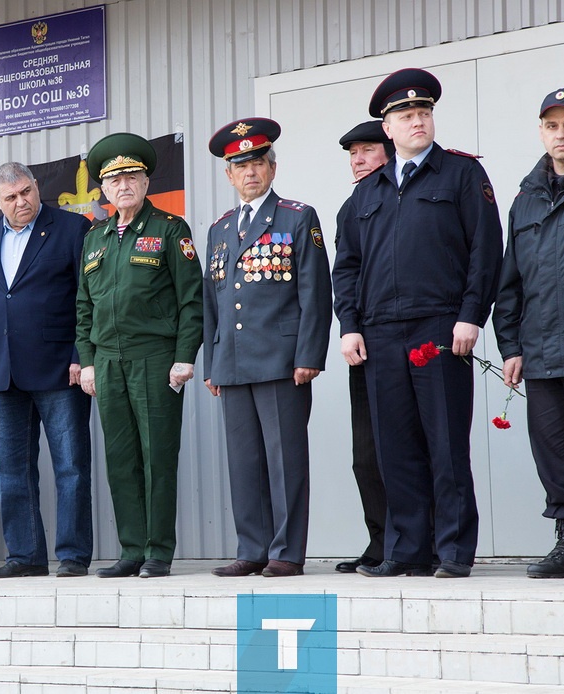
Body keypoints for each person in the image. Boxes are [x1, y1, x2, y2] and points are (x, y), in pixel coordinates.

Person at [332, 68, 503, 579]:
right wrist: (350, 326)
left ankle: (452, 550)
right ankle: (407, 550)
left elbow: (485, 252)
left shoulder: (461, 175)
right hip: (381, 333)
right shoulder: (367, 194)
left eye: (423, 113)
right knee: (396, 447)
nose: (417, 122)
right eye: (406, 116)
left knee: (446, 443)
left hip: (440, 328)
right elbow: (347, 268)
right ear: (387, 128)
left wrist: (470, 316)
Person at [203, 118, 332, 578]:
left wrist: (308, 356)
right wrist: (212, 364)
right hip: (233, 362)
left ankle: (286, 552)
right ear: (228, 174)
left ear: (272, 169)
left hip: (281, 361)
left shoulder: (297, 217)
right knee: (245, 462)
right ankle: (252, 547)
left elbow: (316, 292)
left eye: (258, 162)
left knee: (285, 461)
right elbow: (212, 301)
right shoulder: (219, 229)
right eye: (240, 165)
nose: (250, 172)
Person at [75, 133, 203, 578]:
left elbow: (192, 300)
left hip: (154, 357)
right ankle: (131, 549)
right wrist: (87, 360)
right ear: (103, 190)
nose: (124, 185)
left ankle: (158, 552)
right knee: (120, 457)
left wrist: (185, 355)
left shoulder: (171, 230)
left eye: (132, 176)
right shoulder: (95, 239)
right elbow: (83, 307)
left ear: (147, 182)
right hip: (108, 362)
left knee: (157, 456)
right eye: (114, 179)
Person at [0, 162, 93, 578]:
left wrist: (80, 355)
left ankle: (72, 555)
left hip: (59, 368)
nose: (22, 202)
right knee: (10, 469)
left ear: (37, 188)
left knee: (70, 465)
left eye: (26, 192)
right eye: (11, 197)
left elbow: (86, 299)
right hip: (1, 372)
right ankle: (25, 555)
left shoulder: (73, 229)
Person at [493, 87, 564, 579]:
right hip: (542, 352)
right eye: (552, 125)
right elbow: (510, 282)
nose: (561, 133)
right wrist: (510, 345)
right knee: (555, 452)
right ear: (541, 132)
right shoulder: (525, 200)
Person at [332, 121, 394, 574]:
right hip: (366, 342)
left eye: (367, 151)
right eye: (353, 153)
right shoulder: (350, 208)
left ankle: (419, 539)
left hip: (408, 336)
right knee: (366, 454)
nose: (357, 159)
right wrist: (348, 326)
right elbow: (345, 277)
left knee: (406, 449)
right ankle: (381, 540)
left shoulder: (402, 198)